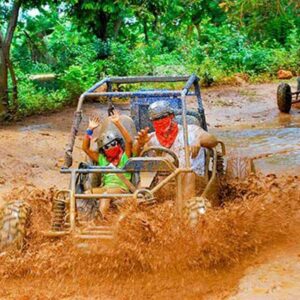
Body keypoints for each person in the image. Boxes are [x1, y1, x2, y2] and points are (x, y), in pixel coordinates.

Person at [134, 100, 218, 199]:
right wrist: (140, 144)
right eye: (156, 119)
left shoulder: (190, 131)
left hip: (193, 179)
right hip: (164, 181)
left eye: (163, 117)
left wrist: (199, 140)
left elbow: (213, 140)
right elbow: (134, 153)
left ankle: (185, 208)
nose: (160, 121)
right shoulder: (149, 138)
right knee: (144, 179)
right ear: (152, 121)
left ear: (172, 116)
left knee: (186, 174)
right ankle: (139, 206)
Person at [82, 111, 133, 218]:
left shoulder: (125, 158)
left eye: (113, 144)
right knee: (84, 195)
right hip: (105, 188)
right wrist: (90, 130)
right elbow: (85, 148)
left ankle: (101, 220)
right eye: (106, 147)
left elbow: (129, 142)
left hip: (121, 189)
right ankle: (80, 221)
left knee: (105, 195)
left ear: (118, 143)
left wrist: (118, 124)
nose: (110, 148)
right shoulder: (103, 160)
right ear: (103, 150)